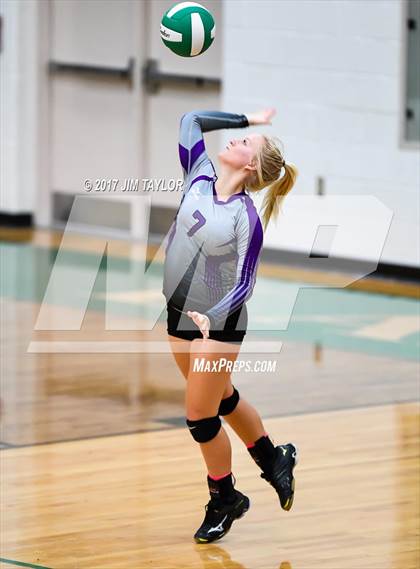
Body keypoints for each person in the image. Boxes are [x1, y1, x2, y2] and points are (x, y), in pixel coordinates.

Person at [163, 108, 299, 543]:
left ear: (251, 166)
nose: (236, 143)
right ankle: (273, 458)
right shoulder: (198, 174)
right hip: (178, 311)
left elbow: (245, 283)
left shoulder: (246, 218)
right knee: (222, 399)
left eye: (245, 145)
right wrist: (247, 120)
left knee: (200, 417)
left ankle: (226, 498)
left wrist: (212, 314)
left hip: (218, 323)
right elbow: (191, 120)